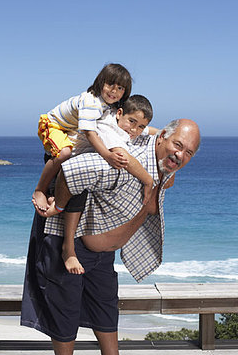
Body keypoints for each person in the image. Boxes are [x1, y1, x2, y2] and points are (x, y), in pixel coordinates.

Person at [21, 119, 201, 355]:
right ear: (163, 138)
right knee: (64, 309)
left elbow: (147, 134)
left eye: (189, 152)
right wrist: (65, 236)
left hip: (103, 254)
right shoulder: (123, 162)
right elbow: (70, 171)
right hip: (72, 244)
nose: (181, 155)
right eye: (177, 145)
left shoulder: (163, 167)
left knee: (106, 307)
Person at [45, 94, 158, 275]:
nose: (135, 130)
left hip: (77, 166)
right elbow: (124, 158)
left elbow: (148, 130)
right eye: (132, 122)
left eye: (140, 126)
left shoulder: (127, 126)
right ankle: (68, 245)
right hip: (66, 161)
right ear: (119, 113)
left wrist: (166, 134)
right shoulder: (108, 126)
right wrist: (148, 180)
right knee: (75, 197)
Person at [32, 63, 132, 216]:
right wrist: (108, 155)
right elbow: (90, 132)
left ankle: (56, 196)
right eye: (110, 84)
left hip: (70, 128)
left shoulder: (108, 105)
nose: (114, 91)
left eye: (120, 88)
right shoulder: (90, 101)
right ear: (100, 82)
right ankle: (40, 189)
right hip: (53, 125)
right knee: (65, 153)